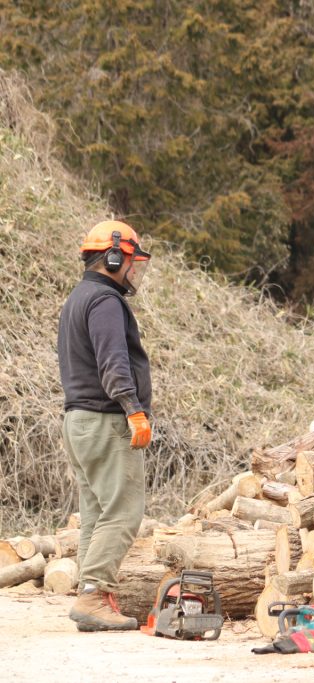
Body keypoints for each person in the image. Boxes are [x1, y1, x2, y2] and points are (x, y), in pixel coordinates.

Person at [58, 220, 153, 631]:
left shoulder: (78, 298)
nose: (134, 271)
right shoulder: (105, 302)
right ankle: (95, 593)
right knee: (123, 512)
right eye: (131, 261)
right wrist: (133, 408)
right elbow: (113, 362)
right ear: (113, 257)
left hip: (78, 421)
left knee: (95, 512)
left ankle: (90, 597)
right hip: (105, 419)